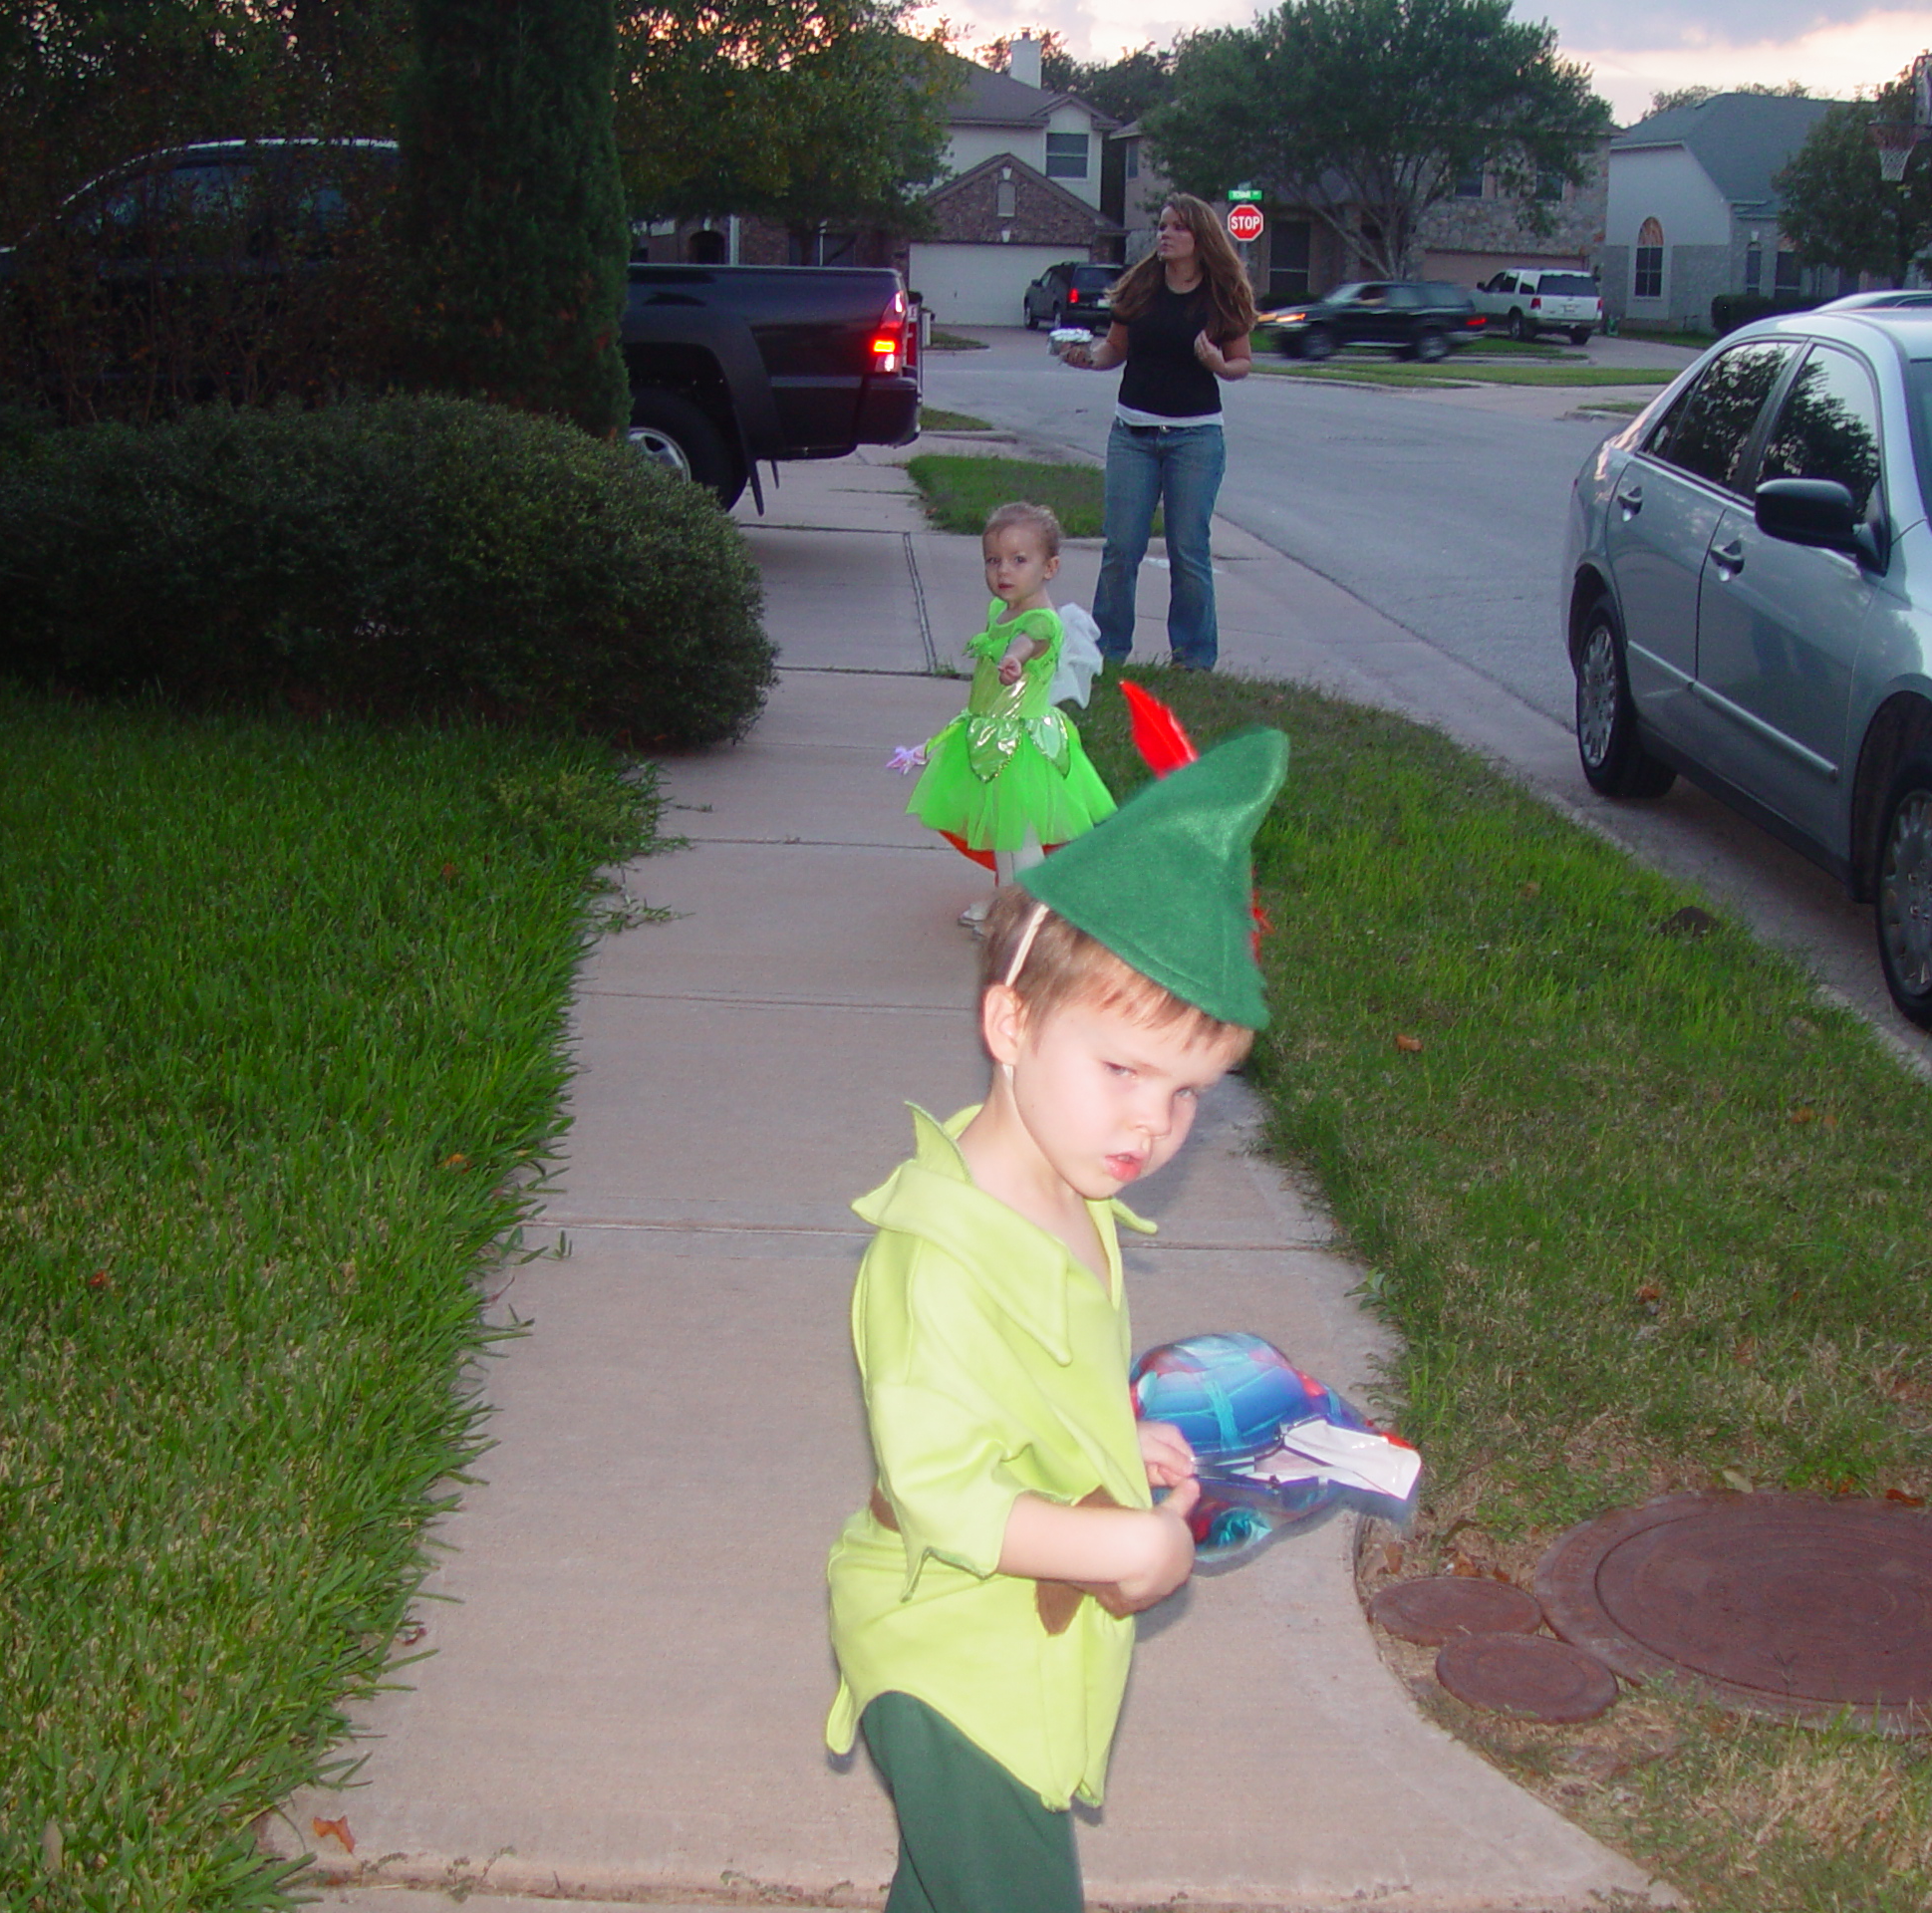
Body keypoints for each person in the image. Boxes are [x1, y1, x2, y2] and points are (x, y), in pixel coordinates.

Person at [826, 729, 1291, 1913]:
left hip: (1013, 1647)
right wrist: (1128, 1545)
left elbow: (1017, 1393)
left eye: (1188, 1092)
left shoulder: (1074, 1192)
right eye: (1125, 1070)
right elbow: (942, 1490)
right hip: (950, 1662)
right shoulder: (936, 1254)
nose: (1151, 1126)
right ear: (1010, 1025)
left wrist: (1101, 1446)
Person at [1060, 195, 1256, 673]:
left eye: (1177, 228)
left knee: (1187, 548)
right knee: (1121, 546)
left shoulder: (1221, 294)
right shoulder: (1141, 288)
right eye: (1162, 226)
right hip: (1133, 433)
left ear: (1199, 238)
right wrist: (1087, 358)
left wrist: (1217, 364)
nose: (1165, 235)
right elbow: (1114, 350)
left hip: (1195, 438)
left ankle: (1193, 658)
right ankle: (1108, 652)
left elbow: (1242, 362)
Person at [907, 501, 1116, 926]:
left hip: (1021, 745)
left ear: (1049, 567)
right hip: (988, 738)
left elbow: (1028, 641)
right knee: (1004, 833)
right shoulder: (999, 612)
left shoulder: (1042, 621)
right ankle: (1008, 899)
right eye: (994, 560)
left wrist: (1014, 660)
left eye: (1020, 560)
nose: (1004, 571)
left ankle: (1036, 912)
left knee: (1021, 836)